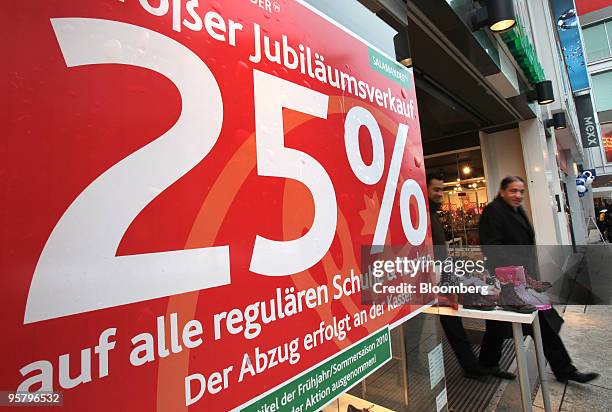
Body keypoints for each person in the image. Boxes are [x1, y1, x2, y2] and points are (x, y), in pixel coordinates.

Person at [478, 176, 599, 383]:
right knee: (539, 324)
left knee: (502, 326)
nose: (518, 195)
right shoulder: (493, 211)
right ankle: (564, 369)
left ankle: (487, 364)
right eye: (513, 191)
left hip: (523, 280)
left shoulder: (516, 210)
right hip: (511, 281)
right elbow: (492, 247)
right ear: (502, 192)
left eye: (521, 191)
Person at [426, 174, 513, 379]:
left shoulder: (433, 214)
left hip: (442, 275)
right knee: (448, 323)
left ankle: (475, 366)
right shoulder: (423, 215)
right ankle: (473, 367)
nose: (440, 194)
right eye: (436, 189)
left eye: (441, 189)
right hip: (432, 278)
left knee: (454, 321)